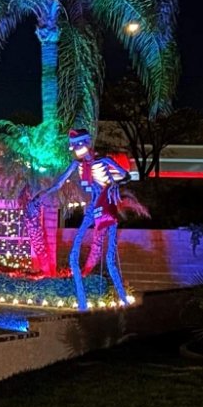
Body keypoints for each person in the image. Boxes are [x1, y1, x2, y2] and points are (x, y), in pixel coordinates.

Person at [33, 129, 130, 311]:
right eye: (75, 144)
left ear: (87, 143)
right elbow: (59, 183)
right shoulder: (76, 164)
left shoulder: (104, 161)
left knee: (109, 257)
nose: (77, 147)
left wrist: (114, 185)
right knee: (73, 255)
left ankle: (123, 299)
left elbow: (125, 175)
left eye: (80, 143)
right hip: (92, 208)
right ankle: (83, 303)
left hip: (107, 207)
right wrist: (41, 195)